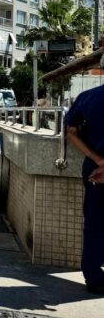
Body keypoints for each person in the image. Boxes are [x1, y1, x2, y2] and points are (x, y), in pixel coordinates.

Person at [65, 85, 104, 294]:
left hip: (94, 167)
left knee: (94, 218)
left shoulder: (87, 97)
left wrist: (98, 160)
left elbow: (70, 134)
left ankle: (94, 276)